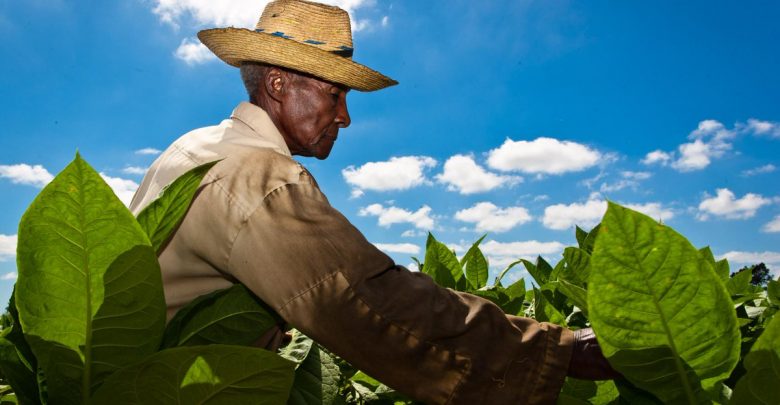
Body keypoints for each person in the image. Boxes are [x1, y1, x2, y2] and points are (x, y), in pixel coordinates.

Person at [129, 0, 618, 403]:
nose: (344, 117)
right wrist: (562, 350)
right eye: (335, 94)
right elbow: (364, 301)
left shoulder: (196, 147)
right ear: (278, 86)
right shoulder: (259, 174)